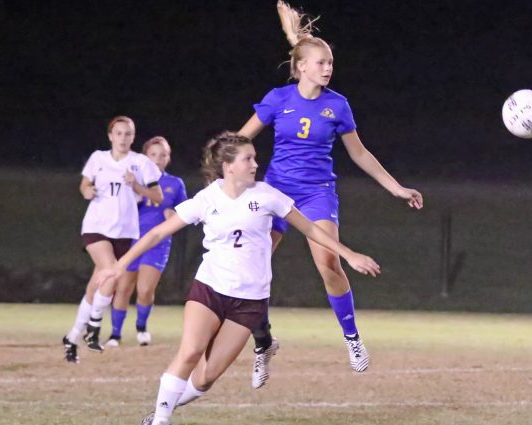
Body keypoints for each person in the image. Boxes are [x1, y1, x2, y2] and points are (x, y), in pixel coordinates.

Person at [95, 132, 380, 425]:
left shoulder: (267, 195)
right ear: (228, 166)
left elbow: (310, 228)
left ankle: (162, 410)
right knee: (190, 351)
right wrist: (121, 265)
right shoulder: (207, 199)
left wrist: (348, 254)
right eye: (248, 159)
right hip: (210, 289)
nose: (255, 164)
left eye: (254, 157)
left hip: (250, 301)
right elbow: (157, 232)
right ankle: (161, 420)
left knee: (206, 378)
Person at [237, 0, 423, 387]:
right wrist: (225, 171)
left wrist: (397, 188)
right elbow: (241, 139)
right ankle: (263, 344)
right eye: (321, 63)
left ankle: (353, 340)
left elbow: (360, 154)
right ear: (301, 67)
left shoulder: (337, 106)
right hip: (274, 192)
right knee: (252, 271)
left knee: (329, 265)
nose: (327, 68)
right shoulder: (278, 99)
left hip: (316, 194)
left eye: (330, 63)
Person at [62, 116, 163, 362]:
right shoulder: (98, 158)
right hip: (96, 226)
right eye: (118, 133)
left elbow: (157, 196)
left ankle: (73, 336)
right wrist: (86, 191)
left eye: (128, 134)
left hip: (125, 231)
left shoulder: (141, 163)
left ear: (133, 137)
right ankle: (94, 327)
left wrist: (136, 186)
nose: (123, 138)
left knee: (98, 281)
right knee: (110, 271)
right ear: (110, 136)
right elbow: (85, 184)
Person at [106, 136, 188, 347]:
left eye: (163, 155)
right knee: (123, 287)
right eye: (153, 155)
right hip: (131, 239)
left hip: (158, 243)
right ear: (145, 157)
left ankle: (141, 328)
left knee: (144, 290)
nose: (158, 159)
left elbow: (185, 213)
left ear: (168, 158)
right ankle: (115, 334)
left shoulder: (175, 183)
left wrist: (174, 216)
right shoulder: (133, 179)